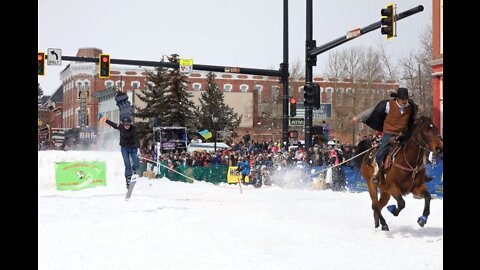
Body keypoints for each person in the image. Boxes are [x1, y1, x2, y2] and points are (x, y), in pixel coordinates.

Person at [352, 87, 431, 185]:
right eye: (402, 99)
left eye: (406, 99)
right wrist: (359, 117)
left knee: (417, 147)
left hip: (404, 133)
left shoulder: (410, 105)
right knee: (382, 150)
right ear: (397, 98)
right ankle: (377, 173)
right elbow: (372, 110)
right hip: (389, 133)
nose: (404, 101)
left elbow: (417, 106)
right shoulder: (388, 105)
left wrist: (420, 107)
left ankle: (422, 173)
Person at [105, 116, 140, 189]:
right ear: (123, 124)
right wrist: (106, 120)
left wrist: (138, 149)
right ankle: (128, 178)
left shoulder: (133, 129)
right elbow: (113, 125)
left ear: (130, 124)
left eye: (128, 125)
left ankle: (134, 170)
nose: (127, 126)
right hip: (124, 148)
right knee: (127, 164)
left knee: (137, 164)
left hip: (133, 148)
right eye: (125, 125)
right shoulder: (120, 127)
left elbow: (136, 139)